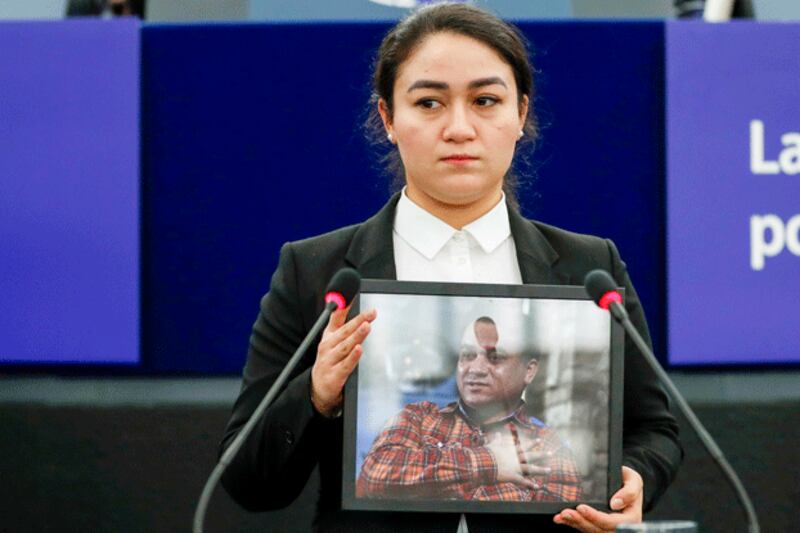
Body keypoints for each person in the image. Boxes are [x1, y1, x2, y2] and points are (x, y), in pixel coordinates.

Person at [220, 4, 682, 532]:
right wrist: (316, 396)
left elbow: (654, 430)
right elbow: (248, 483)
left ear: (521, 115)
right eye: (429, 103)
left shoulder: (590, 268)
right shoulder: (317, 272)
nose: (459, 128)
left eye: (485, 101)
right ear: (389, 119)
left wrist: (636, 477)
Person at [357, 316, 583, 502]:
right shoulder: (418, 418)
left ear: (529, 371)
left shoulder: (548, 446)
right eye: (467, 355)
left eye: (495, 357)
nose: (475, 368)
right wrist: (491, 463)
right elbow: (372, 479)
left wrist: (429, 481)